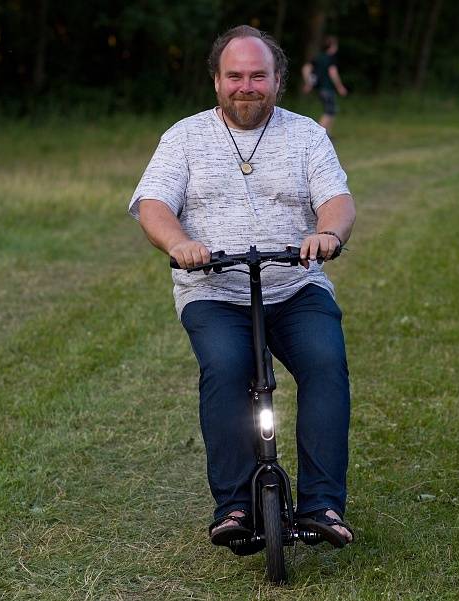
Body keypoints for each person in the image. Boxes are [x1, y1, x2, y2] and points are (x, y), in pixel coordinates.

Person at [128, 25, 356, 552]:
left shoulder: (306, 135)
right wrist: (180, 243)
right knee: (227, 368)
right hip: (214, 290)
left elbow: (337, 201)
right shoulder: (184, 137)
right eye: (235, 76)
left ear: (278, 80)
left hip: (295, 285)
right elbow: (153, 206)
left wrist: (326, 234)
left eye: (258, 75)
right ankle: (233, 504)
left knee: (325, 361)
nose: (246, 86)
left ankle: (323, 504)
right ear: (216, 82)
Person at [302, 36, 349, 136]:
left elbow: (306, 68)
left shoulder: (318, 57)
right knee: (329, 112)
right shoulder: (330, 58)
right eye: (335, 45)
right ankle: (317, 135)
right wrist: (340, 87)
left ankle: (328, 135)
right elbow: (333, 73)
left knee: (332, 110)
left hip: (320, 90)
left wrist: (309, 83)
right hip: (327, 89)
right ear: (332, 46)